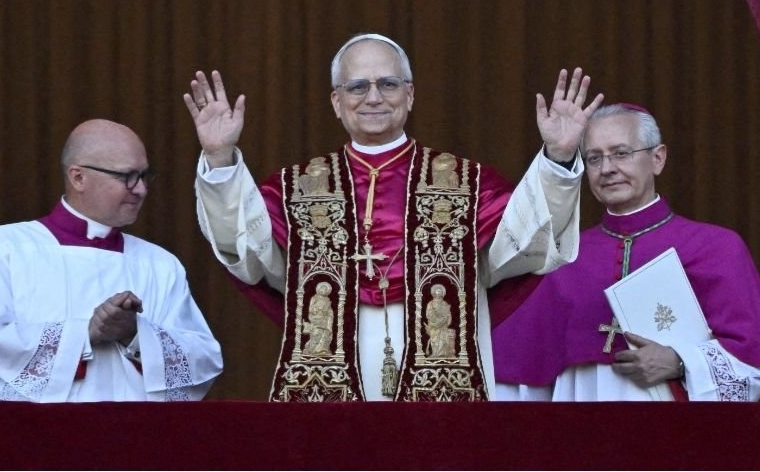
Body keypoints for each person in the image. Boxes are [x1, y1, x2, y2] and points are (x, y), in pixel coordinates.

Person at [188, 33, 603, 401]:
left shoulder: (466, 183)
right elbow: (245, 251)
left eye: (388, 84)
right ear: (336, 101)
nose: (373, 97)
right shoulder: (295, 190)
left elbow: (527, 243)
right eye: (357, 86)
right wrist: (220, 158)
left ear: (410, 95)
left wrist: (558, 157)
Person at [492, 103, 760, 401]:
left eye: (621, 153)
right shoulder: (564, 257)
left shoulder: (716, 247)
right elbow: (520, 373)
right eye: (594, 158)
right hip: (579, 434)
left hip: (679, 435)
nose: (607, 169)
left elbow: (754, 363)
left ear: (657, 159)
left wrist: (680, 361)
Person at [0, 119, 223, 402]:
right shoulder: (2, 248)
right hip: (34, 437)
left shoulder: (160, 265)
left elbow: (203, 362)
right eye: (127, 177)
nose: (141, 190)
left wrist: (135, 334)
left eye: (145, 176)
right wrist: (85, 333)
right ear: (78, 177)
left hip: (136, 438)